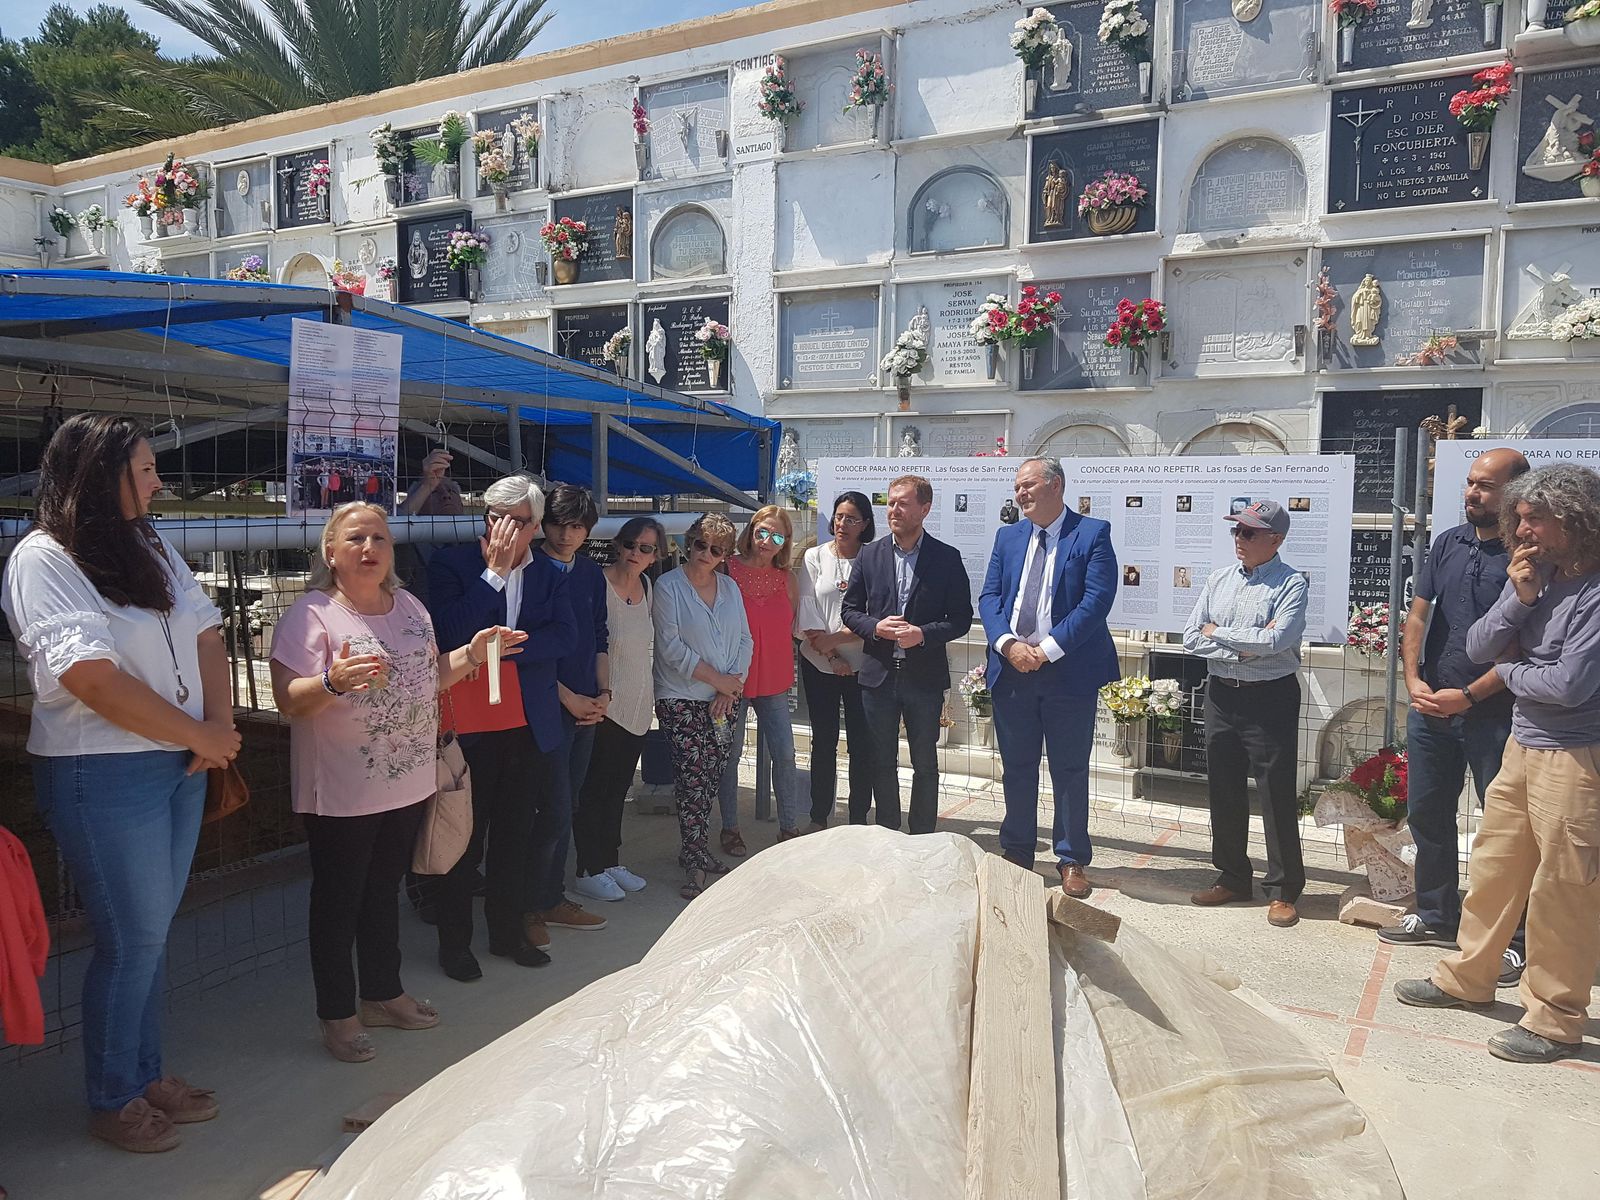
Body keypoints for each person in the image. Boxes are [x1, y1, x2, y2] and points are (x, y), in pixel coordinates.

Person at [1, 414, 241, 1153]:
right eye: (142, 469)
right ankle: (114, 1095)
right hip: (103, 770)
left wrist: (220, 729)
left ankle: (142, 1073)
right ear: (98, 475)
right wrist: (199, 733)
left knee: (151, 935)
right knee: (133, 937)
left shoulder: (145, 543)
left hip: (180, 763)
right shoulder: (45, 558)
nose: (157, 481)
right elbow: (88, 678)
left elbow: (205, 632)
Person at [269, 503, 522, 1063]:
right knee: (339, 902)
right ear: (330, 553)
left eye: (379, 538)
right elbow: (288, 701)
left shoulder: (409, 606)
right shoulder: (310, 616)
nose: (369, 548)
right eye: (355, 538)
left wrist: (472, 655)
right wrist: (331, 681)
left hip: (406, 782)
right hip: (340, 791)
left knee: (382, 892)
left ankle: (382, 992)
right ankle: (338, 1013)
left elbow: (429, 678)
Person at [1396, 465, 1600, 1065]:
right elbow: (1476, 645)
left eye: (1535, 517)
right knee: (1495, 868)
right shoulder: (1535, 576)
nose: (1522, 527)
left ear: (1575, 520)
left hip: (1577, 757)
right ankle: (1469, 978)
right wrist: (1521, 599)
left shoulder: (1594, 591)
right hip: (1523, 743)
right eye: (1520, 515)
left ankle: (1555, 1018)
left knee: (1563, 889)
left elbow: (1568, 684)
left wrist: (1512, 673)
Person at [1382, 448, 1530, 992]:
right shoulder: (1447, 542)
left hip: (1498, 713)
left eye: (1486, 486)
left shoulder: (1529, 556)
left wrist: (1467, 696)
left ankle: (1514, 942)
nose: (1472, 494)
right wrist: (1415, 680)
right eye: (1469, 484)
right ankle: (1438, 915)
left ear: (1516, 491)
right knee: (1428, 814)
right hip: (1432, 709)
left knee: (1506, 832)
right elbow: (1419, 613)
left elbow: (1526, 648)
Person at [425, 473, 578, 977]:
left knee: (515, 833)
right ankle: (454, 943)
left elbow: (565, 635)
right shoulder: (451, 563)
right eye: (497, 519)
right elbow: (447, 630)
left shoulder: (547, 574)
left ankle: (507, 932)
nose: (506, 530)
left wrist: (512, 649)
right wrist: (492, 575)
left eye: (518, 522)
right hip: (468, 725)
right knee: (464, 836)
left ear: (536, 526)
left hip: (524, 721)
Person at [979, 457, 1120, 896]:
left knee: (1070, 768)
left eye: (1028, 485)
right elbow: (990, 597)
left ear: (1055, 486)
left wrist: (1046, 650)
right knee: (1017, 767)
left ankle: (1072, 857)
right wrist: (1008, 645)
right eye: (1017, 487)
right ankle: (1019, 851)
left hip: (1067, 672)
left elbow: (1096, 602)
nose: (1020, 493)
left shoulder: (1092, 534)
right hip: (1013, 670)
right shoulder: (1008, 537)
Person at [1182, 499, 1309, 928]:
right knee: (1223, 786)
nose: (1239, 539)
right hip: (1222, 694)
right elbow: (1189, 637)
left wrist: (1220, 635)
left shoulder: (1292, 584)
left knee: (1275, 792)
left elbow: (1276, 643)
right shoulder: (1219, 579)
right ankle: (1233, 875)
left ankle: (1284, 889)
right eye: (1236, 531)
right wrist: (1246, 643)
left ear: (1276, 540)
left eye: (1249, 533)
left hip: (1269, 696)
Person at [841, 474, 973, 834]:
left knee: (925, 764)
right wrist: (875, 628)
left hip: (923, 678)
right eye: (891, 502)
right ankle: (887, 832)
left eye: (903, 503)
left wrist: (923, 635)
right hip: (878, 675)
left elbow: (961, 618)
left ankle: (922, 837)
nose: (893, 510)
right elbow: (850, 610)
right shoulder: (870, 554)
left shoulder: (945, 558)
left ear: (924, 509)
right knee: (880, 761)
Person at [653, 514, 752, 899]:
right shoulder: (667, 587)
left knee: (711, 778)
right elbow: (671, 648)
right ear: (688, 543)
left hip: (724, 699)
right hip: (680, 696)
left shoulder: (730, 587)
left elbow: (745, 639)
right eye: (699, 545)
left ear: (725, 555)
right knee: (692, 779)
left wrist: (731, 687)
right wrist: (720, 681)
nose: (704, 555)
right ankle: (695, 862)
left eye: (715, 550)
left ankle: (695, 849)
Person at [572, 517, 665, 901]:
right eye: (630, 544)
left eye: (645, 548)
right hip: (605, 705)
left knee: (619, 790)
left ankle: (609, 860)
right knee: (595, 791)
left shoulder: (646, 586)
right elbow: (590, 642)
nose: (635, 553)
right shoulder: (597, 584)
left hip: (639, 708)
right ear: (618, 544)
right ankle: (587, 868)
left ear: (656, 555)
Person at [535, 484, 611, 933]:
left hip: (588, 707)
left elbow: (600, 636)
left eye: (577, 527)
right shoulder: (527, 570)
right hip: (545, 708)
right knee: (551, 808)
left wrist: (604, 696)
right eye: (558, 525)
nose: (566, 535)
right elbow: (522, 651)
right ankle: (539, 901)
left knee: (569, 803)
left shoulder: (588, 574)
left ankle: (549, 896)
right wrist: (569, 698)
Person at [717, 505, 804, 851]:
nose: (768, 541)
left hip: (774, 680)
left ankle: (789, 828)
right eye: (762, 532)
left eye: (777, 536)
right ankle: (730, 827)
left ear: (785, 543)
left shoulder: (789, 579)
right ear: (751, 531)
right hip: (732, 680)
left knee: (785, 753)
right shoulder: (727, 570)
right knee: (731, 753)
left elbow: (793, 626)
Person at [797, 492, 876, 830]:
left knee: (862, 744)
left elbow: (876, 614)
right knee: (824, 740)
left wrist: (840, 641)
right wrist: (830, 654)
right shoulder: (814, 557)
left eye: (851, 519)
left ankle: (858, 818)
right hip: (819, 663)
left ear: (865, 525)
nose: (842, 524)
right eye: (839, 517)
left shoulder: (874, 560)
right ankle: (819, 817)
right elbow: (806, 609)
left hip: (864, 664)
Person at [395, 449, 466, 610]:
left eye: (451, 491)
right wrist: (427, 485)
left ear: (462, 505)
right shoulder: (405, 548)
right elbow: (393, 524)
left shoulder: (476, 545)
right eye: (434, 492)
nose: (446, 496)